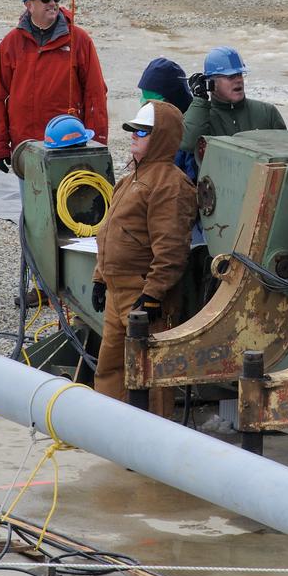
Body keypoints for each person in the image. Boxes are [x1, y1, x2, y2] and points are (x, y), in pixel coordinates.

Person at [90, 101, 196, 417]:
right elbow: (109, 233)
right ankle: (107, 428)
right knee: (110, 367)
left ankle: (151, 437)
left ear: (160, 137)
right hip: (118, 293)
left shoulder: (170, 184)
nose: (133, 136)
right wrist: (100, 278)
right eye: (133, 130)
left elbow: (171, 248)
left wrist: (152, 295)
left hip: (141, 295)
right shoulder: (130, 179)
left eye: (142, 132)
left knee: (149, 376)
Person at [0, 0, 108, 173]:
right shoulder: (10, 44)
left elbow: (95, 94)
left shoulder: (79, 41)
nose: (53, 3)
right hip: (27, 147)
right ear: (29, 5)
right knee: (32, 194)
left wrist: (97, 144)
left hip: (69, 146)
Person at [180, 46, 286, 170]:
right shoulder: (201, 116)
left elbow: (287, 154)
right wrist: (199, 99)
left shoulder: (267, 112)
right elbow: (188, 144)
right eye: (230, 76)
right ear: (211, 83)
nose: (238, 80)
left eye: (240, 74)